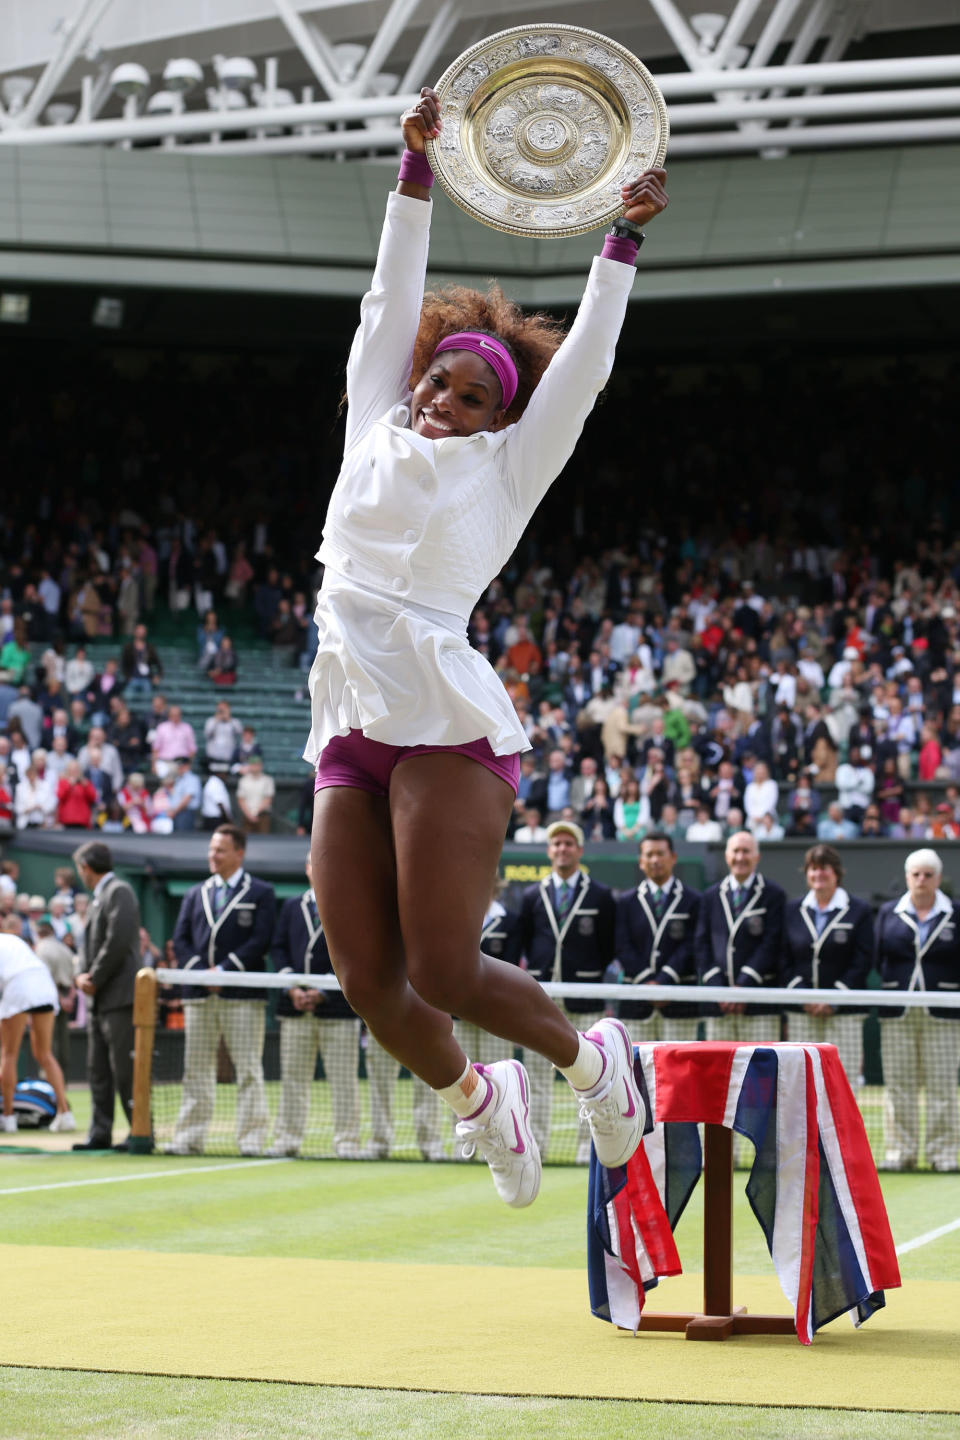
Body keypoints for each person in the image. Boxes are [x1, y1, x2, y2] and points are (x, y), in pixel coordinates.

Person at [302, 88, 662, 1204]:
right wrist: (413, 175)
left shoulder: (508, 468)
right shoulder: (376, 418)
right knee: (367, 978)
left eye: (469, 394)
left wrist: (622, 244)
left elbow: (587, 371)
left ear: (503, 420)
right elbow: (384, 304)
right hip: (352, 718)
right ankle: (482, 1100)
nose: (440, 398)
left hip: (445, 722)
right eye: (437, 379)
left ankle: (597, 1066)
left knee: (446, 968)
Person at [169, 824, 275, 1156]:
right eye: (212, 849)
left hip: (242, 994)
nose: (212, 855)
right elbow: (181, 940)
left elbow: (261, 940)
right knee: (196, 1070)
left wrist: (226, 970)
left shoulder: (261, 892)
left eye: (220, 850)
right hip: (199, 995)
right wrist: (202, 973)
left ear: (239, 853)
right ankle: (188, 1139)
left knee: (248, 1070)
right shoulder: (194, 893)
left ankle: (251, 1141)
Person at [518, 821, 617, 1162]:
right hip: (541, 1001)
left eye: (568, 844)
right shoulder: (532, 895)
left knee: (588, 1077)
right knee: (538, 1079)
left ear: (579, 850)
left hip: (584, 997)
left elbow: (607, 948)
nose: (562, 849)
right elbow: (526, 944)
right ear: (549, 851)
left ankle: (584, 1149)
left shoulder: (601, 895)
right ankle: (539, 1146)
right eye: (556, 844)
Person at [268, 854, 363, 1159]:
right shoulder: (291, 906)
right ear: (307, 870)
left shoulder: (350, 906)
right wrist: (292, 987)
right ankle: (286, 1139)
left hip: (337, 1009)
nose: (316, 869)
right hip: (295, 1009)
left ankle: (347, 1142)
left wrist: (323, 992)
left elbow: (355, 954)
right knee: (293, 1078)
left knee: (343, 1080)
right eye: (311, 863)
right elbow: (278, 948)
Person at [874, 848, 960, 1172]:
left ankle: (943, 1154)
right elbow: (878, 958)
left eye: (928, 875)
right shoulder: (887, 913)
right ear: (908, 877)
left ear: (938, 879)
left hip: (943, 1011)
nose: (921, 880)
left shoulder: (955, 912)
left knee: (942, 1084)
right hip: (898, 1011)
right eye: (916, 874)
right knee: (898, 1085)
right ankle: (900, 1153)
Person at [780, 843, 873, 1086]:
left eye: (825, 868)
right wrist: (804, 997)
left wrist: (833, 999)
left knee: (842, 1083)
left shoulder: (859, 910)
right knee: (800, 1084)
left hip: (845, 1015)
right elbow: (783, 958)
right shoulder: (792, 910)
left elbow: (863, 960)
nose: (818, 874)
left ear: (837, 873)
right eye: (813, 868)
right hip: (802, 1013)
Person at [71, 840, 142, 1150]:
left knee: (124, 1070)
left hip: (118, 998)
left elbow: (117, 940)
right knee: (97, 1069)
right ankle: (100, 1133)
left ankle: (139, 1132)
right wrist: (83, 976)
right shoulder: (102, 896)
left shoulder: (119, 891)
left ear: (86, 868)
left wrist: (93, 978)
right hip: (100, 1000)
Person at [694, 830, 785, 1045]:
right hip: (718, 1005)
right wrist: (720, 989)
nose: (740, 857)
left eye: (746, 851)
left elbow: (772, 944)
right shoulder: (710, 896)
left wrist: (743, 986)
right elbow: (701, 944)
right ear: (727, 856)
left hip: (759, 1003)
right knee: (718, 1075)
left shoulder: (774, 894)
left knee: (761, 1074)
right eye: (735, 851)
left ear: (757, 857)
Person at [615, 832, 701, 1044]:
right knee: (634, 1072)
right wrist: (647, 982)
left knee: (680, 1074)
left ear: (673, 857)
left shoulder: (694, 900)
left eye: (660, 853)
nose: (655, 860)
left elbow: (692, 945)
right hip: (636, 1002)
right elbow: (621, 945)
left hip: (679, 1002)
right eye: (649, 854)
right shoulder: (626, 901)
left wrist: (663, 982)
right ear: (641, 861)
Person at [0, 920, 75, 1134]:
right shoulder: (13, 941)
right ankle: (64, 1113)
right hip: (44, 986)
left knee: (8, 1053)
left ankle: (8, 1118)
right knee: (44, 1054)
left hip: (20, 986)